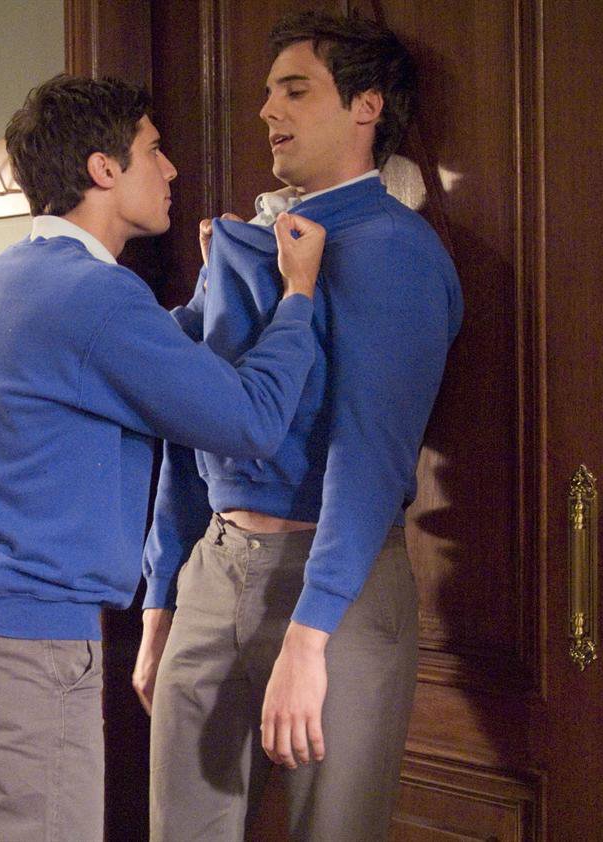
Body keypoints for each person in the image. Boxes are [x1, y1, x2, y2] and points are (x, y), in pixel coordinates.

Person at [0, 73, 326, 841]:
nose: (171, 169)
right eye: (153, 150)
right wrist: (298, 294)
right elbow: (252, 421)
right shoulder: (96, 298)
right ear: (103, 169)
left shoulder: (11, 276)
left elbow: (142, 357)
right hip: (25, 651)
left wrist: (214, 285)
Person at [136, 11, 463, 841]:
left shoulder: (395, 250)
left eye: (295, 90)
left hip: (335, 585)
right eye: (268, 92)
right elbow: (190, 425)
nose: (267, 110)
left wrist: (310, 639)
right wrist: (162, 598)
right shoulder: (245, 242)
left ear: (366, 107)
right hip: (212, 570)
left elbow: (369, 454)